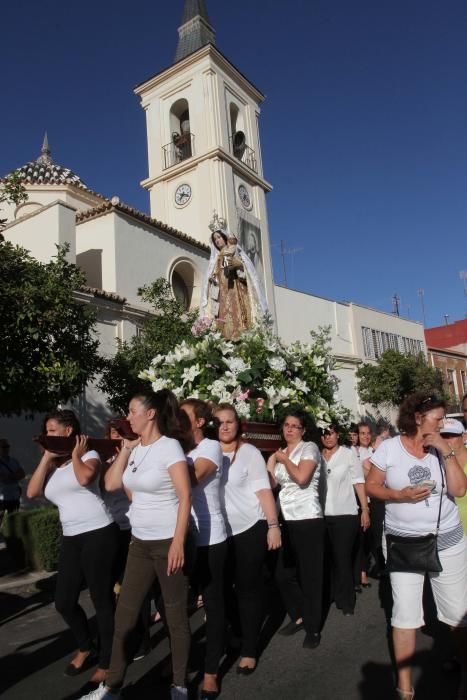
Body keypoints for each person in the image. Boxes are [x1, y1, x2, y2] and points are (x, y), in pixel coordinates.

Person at [80, 390, 193, 700]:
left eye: (131, 411)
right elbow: (112, 484)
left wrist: (179, 543)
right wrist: (127, 450)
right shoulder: (137, 448)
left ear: (150, 414)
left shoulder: (169, 447)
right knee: (125, 617)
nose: (127, 417)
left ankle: (180, 685)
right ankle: (111, 688)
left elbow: (185, 496)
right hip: (139, 543)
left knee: (175, 617)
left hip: (168, 541)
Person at [366, 393, 467, 700]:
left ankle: (465, 670)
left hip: (446, 540)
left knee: (456, 616)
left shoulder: (444, 446)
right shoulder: (389, 448)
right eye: (438, 418)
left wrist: (444, 450)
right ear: (418, 417)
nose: (443, 423)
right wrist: (400, 496)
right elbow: (373, 486)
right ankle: (405, 689)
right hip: (402, 543)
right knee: (404, 616)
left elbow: (460, 489)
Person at [27, 410, 118, 683]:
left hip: (99, 533)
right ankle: (85, 646)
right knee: (64, 602)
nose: (47, 435)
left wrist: (76, 454)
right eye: (46, 431)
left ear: (69, 431)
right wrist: (46, 456)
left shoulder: (89, 455)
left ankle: (107, 659)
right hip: (72, 537)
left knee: (101, 600)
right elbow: (31, 492)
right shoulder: (55, 466)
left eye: (52, 430)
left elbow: (85, 479)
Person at [213, 403, 281, 674]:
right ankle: (239, 630)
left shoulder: (249, 452)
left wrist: (273, 524)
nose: (225, 426)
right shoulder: (208, 453)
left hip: (250, 528)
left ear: (238, 425)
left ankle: (250, 648)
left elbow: (264, 490)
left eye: (230, 421)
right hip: (219, 532)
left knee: (247, 589)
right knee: (220, 590)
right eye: (219, 422)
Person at [180, 399, 227, 699]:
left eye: (183, 416)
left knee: (213, 604)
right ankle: (179, 665)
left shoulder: (210, 448)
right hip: (179, 538)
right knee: (175, 607)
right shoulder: (175, 449)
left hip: (210, 539)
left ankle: (211, 671)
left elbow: (192, 479)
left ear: (199, 422)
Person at [267, 411, 324, 649]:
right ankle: (300, 613)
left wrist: (283, 458)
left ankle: (313, 627)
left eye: (295, 426)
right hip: (286, 520)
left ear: (303, 430)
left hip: (307, 518)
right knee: (282, 574)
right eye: (286, 425)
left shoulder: (309, 448)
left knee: (310, 575)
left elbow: (302, 477)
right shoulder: (281, 453)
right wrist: (270, 464)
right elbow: (273, 486)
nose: (289, 429)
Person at [320, 425, 370, 616]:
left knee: (342, 557)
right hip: (323, 514)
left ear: (337, 434)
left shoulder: (348, 454)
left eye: (331, 433)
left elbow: (358, 481)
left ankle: (347, 601)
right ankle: (333, 593)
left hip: (345, 515)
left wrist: (364, 510)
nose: (328, 437)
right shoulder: (316, 455)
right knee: (330, 557)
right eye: (324, 434)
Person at [199, 226, 268, 341]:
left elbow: (249, 275)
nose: (217, 240)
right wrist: (212, 279)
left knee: (238, 316)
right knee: (223, 320)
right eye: (215, 239)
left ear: (225, 238)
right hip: (221, 295)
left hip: (236, 290)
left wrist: (239, 265)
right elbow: (212, 279)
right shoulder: (215, 259)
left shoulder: (234, 251)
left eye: (219, 237)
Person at [440, 417, 467, 535]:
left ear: (464, 436)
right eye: (442, 436)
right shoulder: (435, 461)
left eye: (451, 435)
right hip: (448, 534)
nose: (446, 440)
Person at [0, 438, 24, 522]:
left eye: (7, 446)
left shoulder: (14, 461)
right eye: (4, 446)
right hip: (2, 498)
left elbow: (22, 474)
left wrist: (9, 476)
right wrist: (15, 475)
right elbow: (3, 479)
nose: (6, 448)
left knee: (13, 521)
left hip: (15, 497)